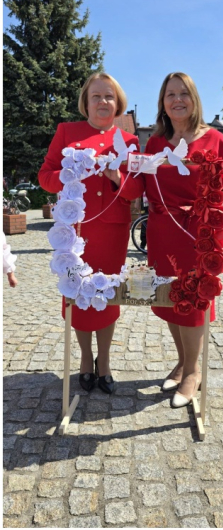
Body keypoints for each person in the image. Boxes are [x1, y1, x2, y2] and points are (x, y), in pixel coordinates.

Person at [118, 72, 223, 407]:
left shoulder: (213, 138)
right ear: (163, 103)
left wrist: (220, 206)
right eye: (170, 94)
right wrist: (118, 172)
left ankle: (192, 374)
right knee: (169, 299)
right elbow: (139, 187)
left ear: (194, 99)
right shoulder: (156, 143)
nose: (177, 100)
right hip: (162, 230)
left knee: (195, 300)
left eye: (183, 93)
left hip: (198, 233)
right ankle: (184, 362)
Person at [38, 72, 139, 394]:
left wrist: (114, 175)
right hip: (75, 232)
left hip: (111, 232)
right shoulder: (67, 132)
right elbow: (45, 177)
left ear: (118, 103)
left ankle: (105, 361)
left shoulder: (129, 140)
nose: (103, 102)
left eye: (109, 96)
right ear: (86, 102)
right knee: (77, 294)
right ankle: (85, 360)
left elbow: (136, 188)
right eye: (96, 96)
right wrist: (69, 174)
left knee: (107, 294)